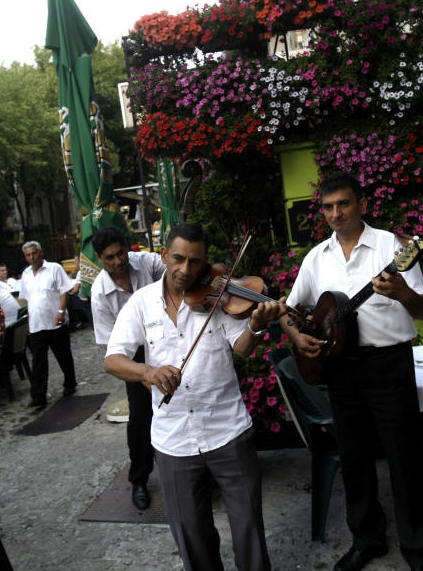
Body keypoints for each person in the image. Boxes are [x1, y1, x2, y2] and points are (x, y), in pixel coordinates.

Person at [104, 222, 287, 571]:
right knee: (192, 538)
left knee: (249, 531)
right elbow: (113, 359)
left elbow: (243, 349)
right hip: (173, 441)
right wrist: (148, 372)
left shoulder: (220, 299)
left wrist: (256, 326)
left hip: (228, 432)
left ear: (205, 263)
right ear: (163, 256)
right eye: (178, 259)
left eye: (196, 262)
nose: (186, 270)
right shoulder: (141, 304)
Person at [283, 171, 423, 571]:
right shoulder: (316, 258)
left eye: (344, 204)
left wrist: (402, 292)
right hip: (341, 369)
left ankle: (418, 548)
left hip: (390, 365)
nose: (336, 213)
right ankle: (367, 540)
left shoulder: (393, 247)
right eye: (329, 207)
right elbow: (289, 309)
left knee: (405, 459)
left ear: (362, 204)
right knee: (354, 460)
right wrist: (298, 338)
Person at [91, 226, 165, 510]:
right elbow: (113, 349)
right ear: (99, 258)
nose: (118, 261)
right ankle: (139, 479)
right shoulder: (99, 294)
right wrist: (142, 373)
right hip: (133, 354)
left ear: (128, 247)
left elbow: (174, 269)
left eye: (121, 253)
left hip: (166, 336)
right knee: (140, 418)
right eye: (109, 257)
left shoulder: (146, 262)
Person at [20, 240, 78, 408]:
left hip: (55, 321)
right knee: (38, 361)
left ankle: (70, 383)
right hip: (37, 324)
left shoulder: (54, 268)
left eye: (34, 253)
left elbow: (64, 291)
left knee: (63, 355)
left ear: (40, 252)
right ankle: (38, 396)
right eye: (28, 255)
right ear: (25, 257)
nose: (32, 257)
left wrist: (61, 312)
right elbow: (27, 299)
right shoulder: (26, 274)